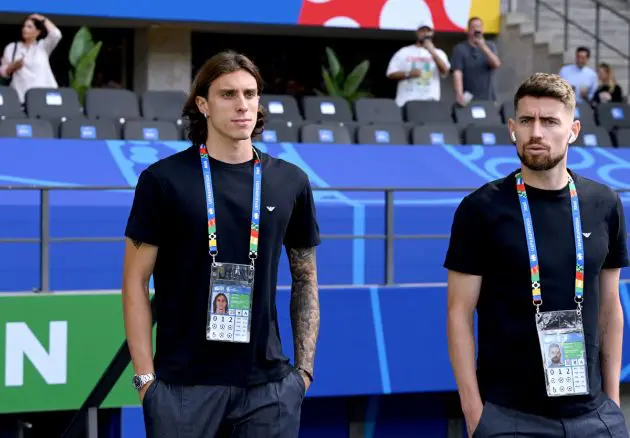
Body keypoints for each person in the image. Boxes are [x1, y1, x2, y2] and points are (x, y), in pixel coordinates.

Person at [122, 50, 321, 438]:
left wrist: (303, 373)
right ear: (203, 105)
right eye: (228, 94)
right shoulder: (163, 181)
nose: (242, 105)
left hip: (270, 389)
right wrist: (146, 382)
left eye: (250, 93)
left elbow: (306, 278)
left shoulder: (290, 181)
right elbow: (134, 282)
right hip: (183, 390)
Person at [445, 73, 628, 437]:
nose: (536, 133)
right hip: (509, 416)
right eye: (526, 121)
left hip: (594, 416)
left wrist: (612, 401)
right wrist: (473, 411)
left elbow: (610, 305)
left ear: (573, 130)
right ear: (513, 127)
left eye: (549, 121)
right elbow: (458, 312)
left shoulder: (603, 203)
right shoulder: (480, 208)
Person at [386, 19, 450, 107]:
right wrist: (408, 73)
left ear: (432, 33)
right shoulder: (404, 51)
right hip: (406, 101)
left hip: (429, 101)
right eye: (422, 30)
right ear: (417, 33)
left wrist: (432, 51)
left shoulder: (439, 53)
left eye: (428, 31)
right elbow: (390, 73)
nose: (425, 33)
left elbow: (445, 71)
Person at [0, 14, 62, 103]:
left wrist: (41, 18)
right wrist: (13, 67)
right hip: (21, 98)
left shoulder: (42, 47)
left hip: (44, 96)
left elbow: (56, 34)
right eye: (24, 26)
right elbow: (3, 72)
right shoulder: (12, 48)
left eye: (29, 27)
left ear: (38, 32)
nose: (25, 29)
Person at [451, 16, 501, 106]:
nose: (477, 30)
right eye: (474, 27)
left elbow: (496, 64)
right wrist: (459, 93)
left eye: (479, 27)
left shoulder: (490, 46)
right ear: (469, 30)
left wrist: (482, 46)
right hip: (468, 98)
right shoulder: (460, 49)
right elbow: (457, 73)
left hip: (488, 98)